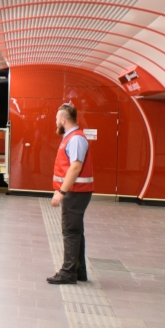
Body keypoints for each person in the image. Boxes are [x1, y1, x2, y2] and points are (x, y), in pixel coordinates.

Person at [46, 103, 94, 285]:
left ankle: (68, 272)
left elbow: (75, 167)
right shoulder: (71, 137)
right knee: (76, 232)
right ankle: (79, 270)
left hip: (75, 193)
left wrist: (61, 192)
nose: (55, 121)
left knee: (70, 232)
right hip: (76, 192)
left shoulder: (75, 139)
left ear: (63, 120)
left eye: (57, 118)